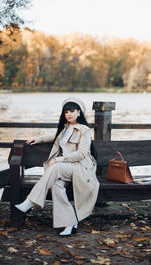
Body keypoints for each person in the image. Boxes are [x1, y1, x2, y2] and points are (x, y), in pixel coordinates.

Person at [15, 97, 100, 236]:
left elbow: (82, 154)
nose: (69, 114)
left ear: (79, 112)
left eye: (72, 111)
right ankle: (70, 223)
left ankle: (31, 201)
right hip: (66, 168)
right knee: (56, 186)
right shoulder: (65, 128)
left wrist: (59, 159)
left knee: (54, 167)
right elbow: (53, 137)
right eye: (66, 111)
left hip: (80, 168)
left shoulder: (84, 130)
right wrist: (37, 139)